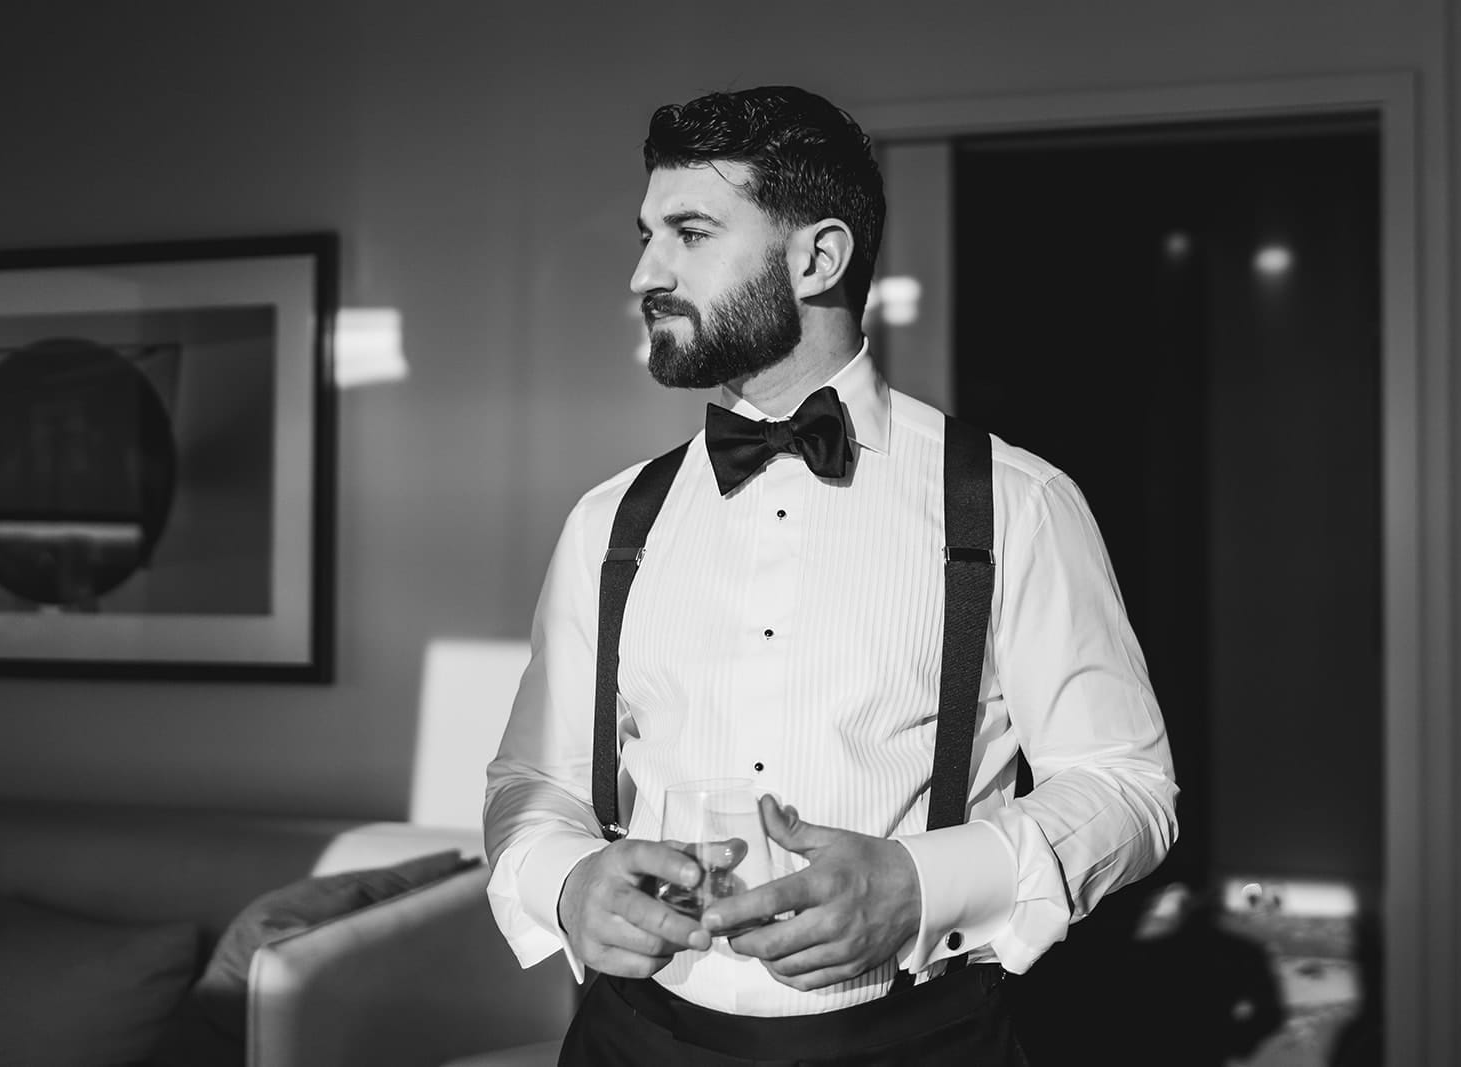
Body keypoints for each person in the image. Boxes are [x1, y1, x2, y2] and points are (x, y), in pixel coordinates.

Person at [484, 84, 1178, 1065]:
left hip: (920, 1039)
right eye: (646, 235)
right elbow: (533, 780)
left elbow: (1126, 786)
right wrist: (565, 881)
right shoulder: (608, 522)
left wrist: (921, 884)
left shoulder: (1016, 501)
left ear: (818, 257)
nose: (645, 272)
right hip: (630, 1037)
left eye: (689, 232)